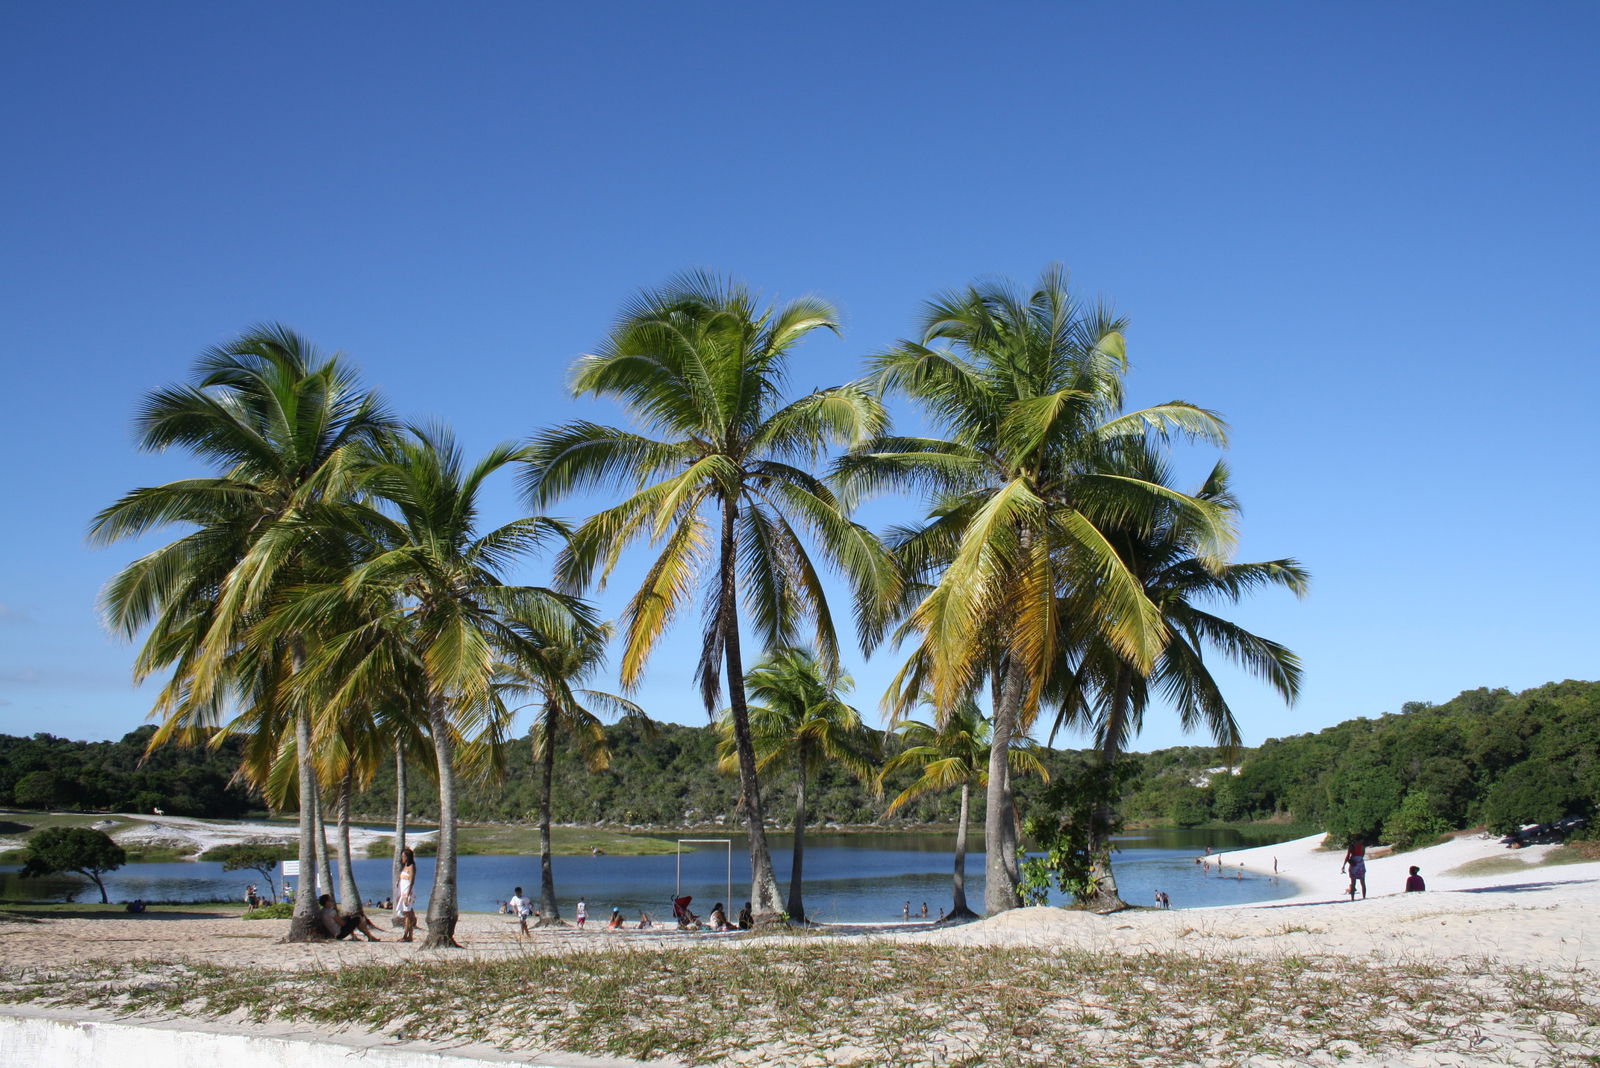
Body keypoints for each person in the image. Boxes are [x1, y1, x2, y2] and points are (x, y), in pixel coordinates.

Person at [397, 846, 418, 942]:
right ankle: (409, 935)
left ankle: (407, 935)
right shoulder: (405, 866)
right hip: (403, 892)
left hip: (408, 892)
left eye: (403, 856)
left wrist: (408, 895)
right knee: (407, 914)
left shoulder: (411, 866)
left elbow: (412, 881)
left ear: (407, 857)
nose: (402, 858)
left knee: (407, 915)